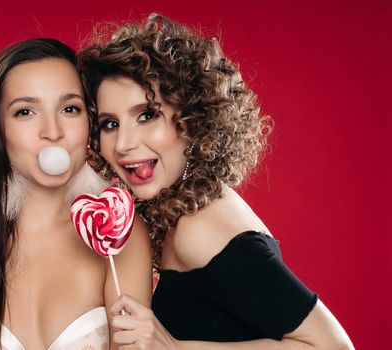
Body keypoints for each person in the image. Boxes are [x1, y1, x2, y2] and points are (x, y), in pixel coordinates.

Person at [78, 14, 354, 349]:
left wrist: (176, 348)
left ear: (191, 120)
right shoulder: (190, 209)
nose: (122, 144)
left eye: (147, 115)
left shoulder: (201, 226)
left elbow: (333, 347)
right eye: (109, 124)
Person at [0, 38, 152, 349]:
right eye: (25, 112)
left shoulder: (117, 237)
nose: (52, 131)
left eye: (69, 108)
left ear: (89, 124)